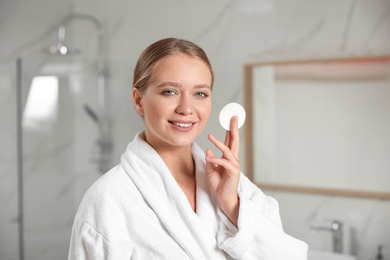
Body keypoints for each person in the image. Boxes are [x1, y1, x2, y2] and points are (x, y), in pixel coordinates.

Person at [68, 38, 308, 260]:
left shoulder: (238, 190)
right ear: (139, 100)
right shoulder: (108, 199)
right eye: (169, 92)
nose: (186, 108)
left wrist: (232, 205)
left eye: (200, 93)